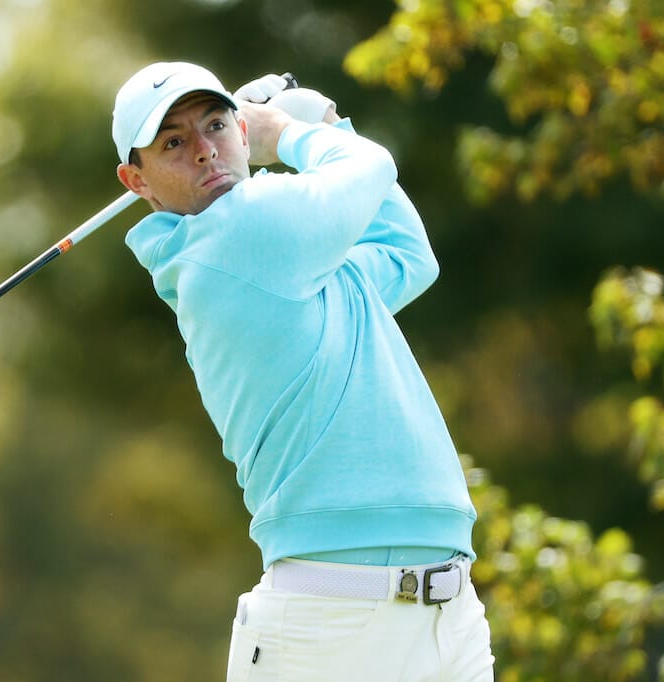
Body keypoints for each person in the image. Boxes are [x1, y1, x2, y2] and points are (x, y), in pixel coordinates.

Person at [111, 61, 494, 681]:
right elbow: (371, 166)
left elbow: (407, 254)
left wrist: (329, 126)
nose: (205, 150)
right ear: (138, 181)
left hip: (446, 615)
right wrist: (290, 132)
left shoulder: (292, 263)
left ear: (238, 132)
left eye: (216, 125)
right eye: (174, 143)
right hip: (329, 624)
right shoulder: (232, 237)